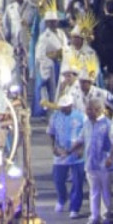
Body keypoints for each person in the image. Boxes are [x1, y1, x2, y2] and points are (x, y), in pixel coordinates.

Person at [50, 89, 86, 217]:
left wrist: (81, 149)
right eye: (62, 107)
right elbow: (52, 133)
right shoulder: (55, 116)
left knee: (77, 181)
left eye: (66, 107)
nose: (63, 109)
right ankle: (61, 199)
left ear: (71, 105)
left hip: (76, 154)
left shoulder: (81, 116)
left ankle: (74, 207)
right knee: (58, 179)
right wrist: (53, 147)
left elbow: (87, 133)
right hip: (61, 153)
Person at [84, 93, 112, 222]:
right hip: (90, 163)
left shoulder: (108, 124)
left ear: (98, 109)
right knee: (93, 192)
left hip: (104, 164)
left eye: (90, 109)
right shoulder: (87, 123)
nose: (87, 111)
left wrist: (110, 158)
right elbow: (82, 139)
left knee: (106, 192)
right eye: (87, 109)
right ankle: (95, 216)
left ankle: (107, 215)